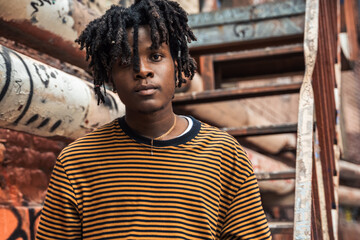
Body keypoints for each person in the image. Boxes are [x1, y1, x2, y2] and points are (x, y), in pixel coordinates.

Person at [36, 0, 272, 239]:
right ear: (111, 77)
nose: (142, 70)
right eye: (126, 61)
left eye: (156, 56)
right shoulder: (77, 161)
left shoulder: (224, 153)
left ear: (177, 65)